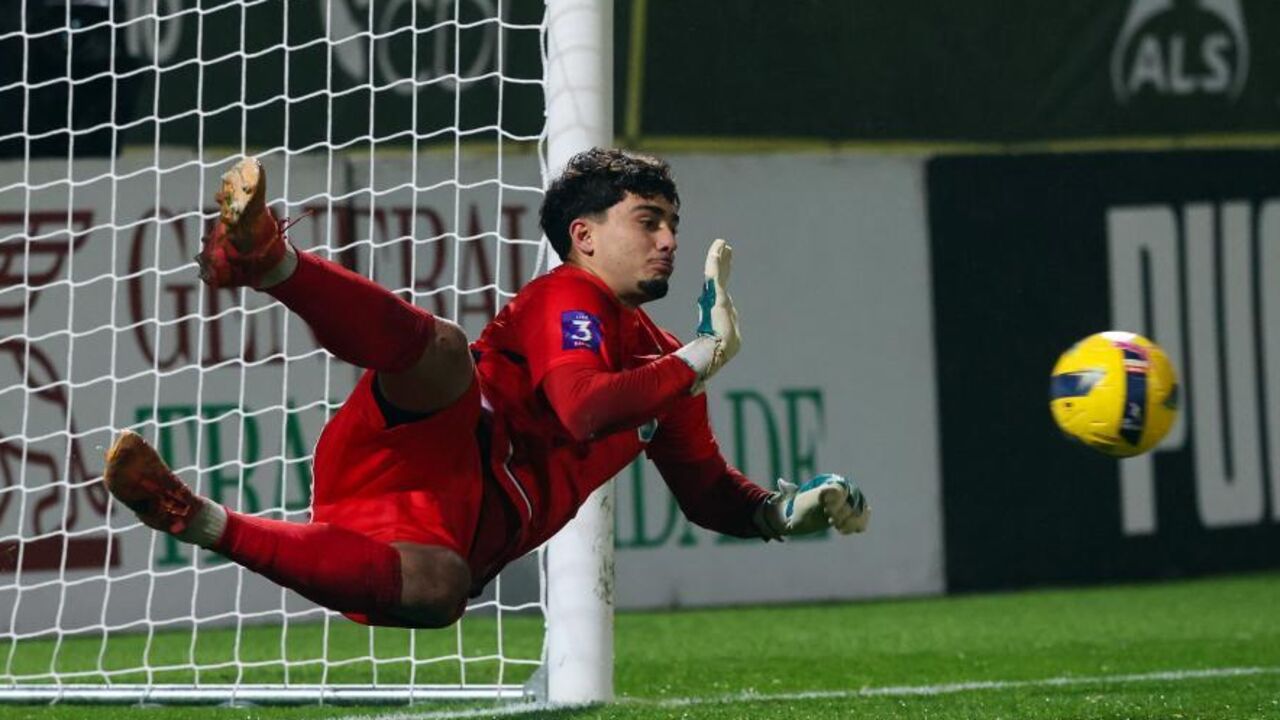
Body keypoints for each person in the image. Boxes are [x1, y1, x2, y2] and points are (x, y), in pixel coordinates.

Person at [103, 148, 870, 629]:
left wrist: (786, 512)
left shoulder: (669, 362)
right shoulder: (569, 297)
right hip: (426, 441)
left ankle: (193, 517)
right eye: (648, 220)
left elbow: (706, 493)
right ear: (585, 236)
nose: (669, 239)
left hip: (445, 534)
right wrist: (700, 358)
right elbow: (580, 404)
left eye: (673, 222)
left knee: (443, 592)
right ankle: (271, 260)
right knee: (442, 353)